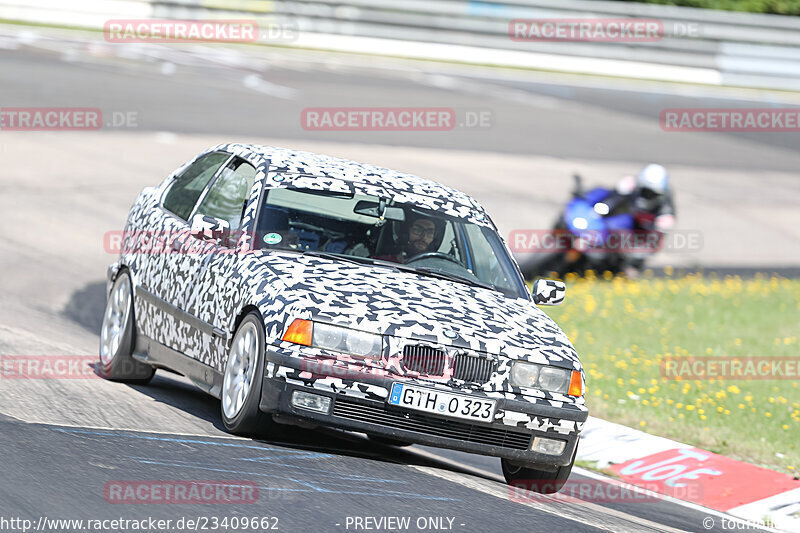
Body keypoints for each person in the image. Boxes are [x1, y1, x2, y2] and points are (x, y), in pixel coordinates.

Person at [613, 164, 676, 276]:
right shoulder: (629, 185)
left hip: (643, 232)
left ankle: (631, 269)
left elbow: (663, 227)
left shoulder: (665, 208)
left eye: (652, 193)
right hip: (621, 225)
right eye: (645, 191)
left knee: (640, 253)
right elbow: (610, 199)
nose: (648, 196)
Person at [373, 215, 440, 264]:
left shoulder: (437, 270)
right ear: (406, 233)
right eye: (417, 230)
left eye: (430, 232)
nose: (424, 237)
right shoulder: (381, 263)